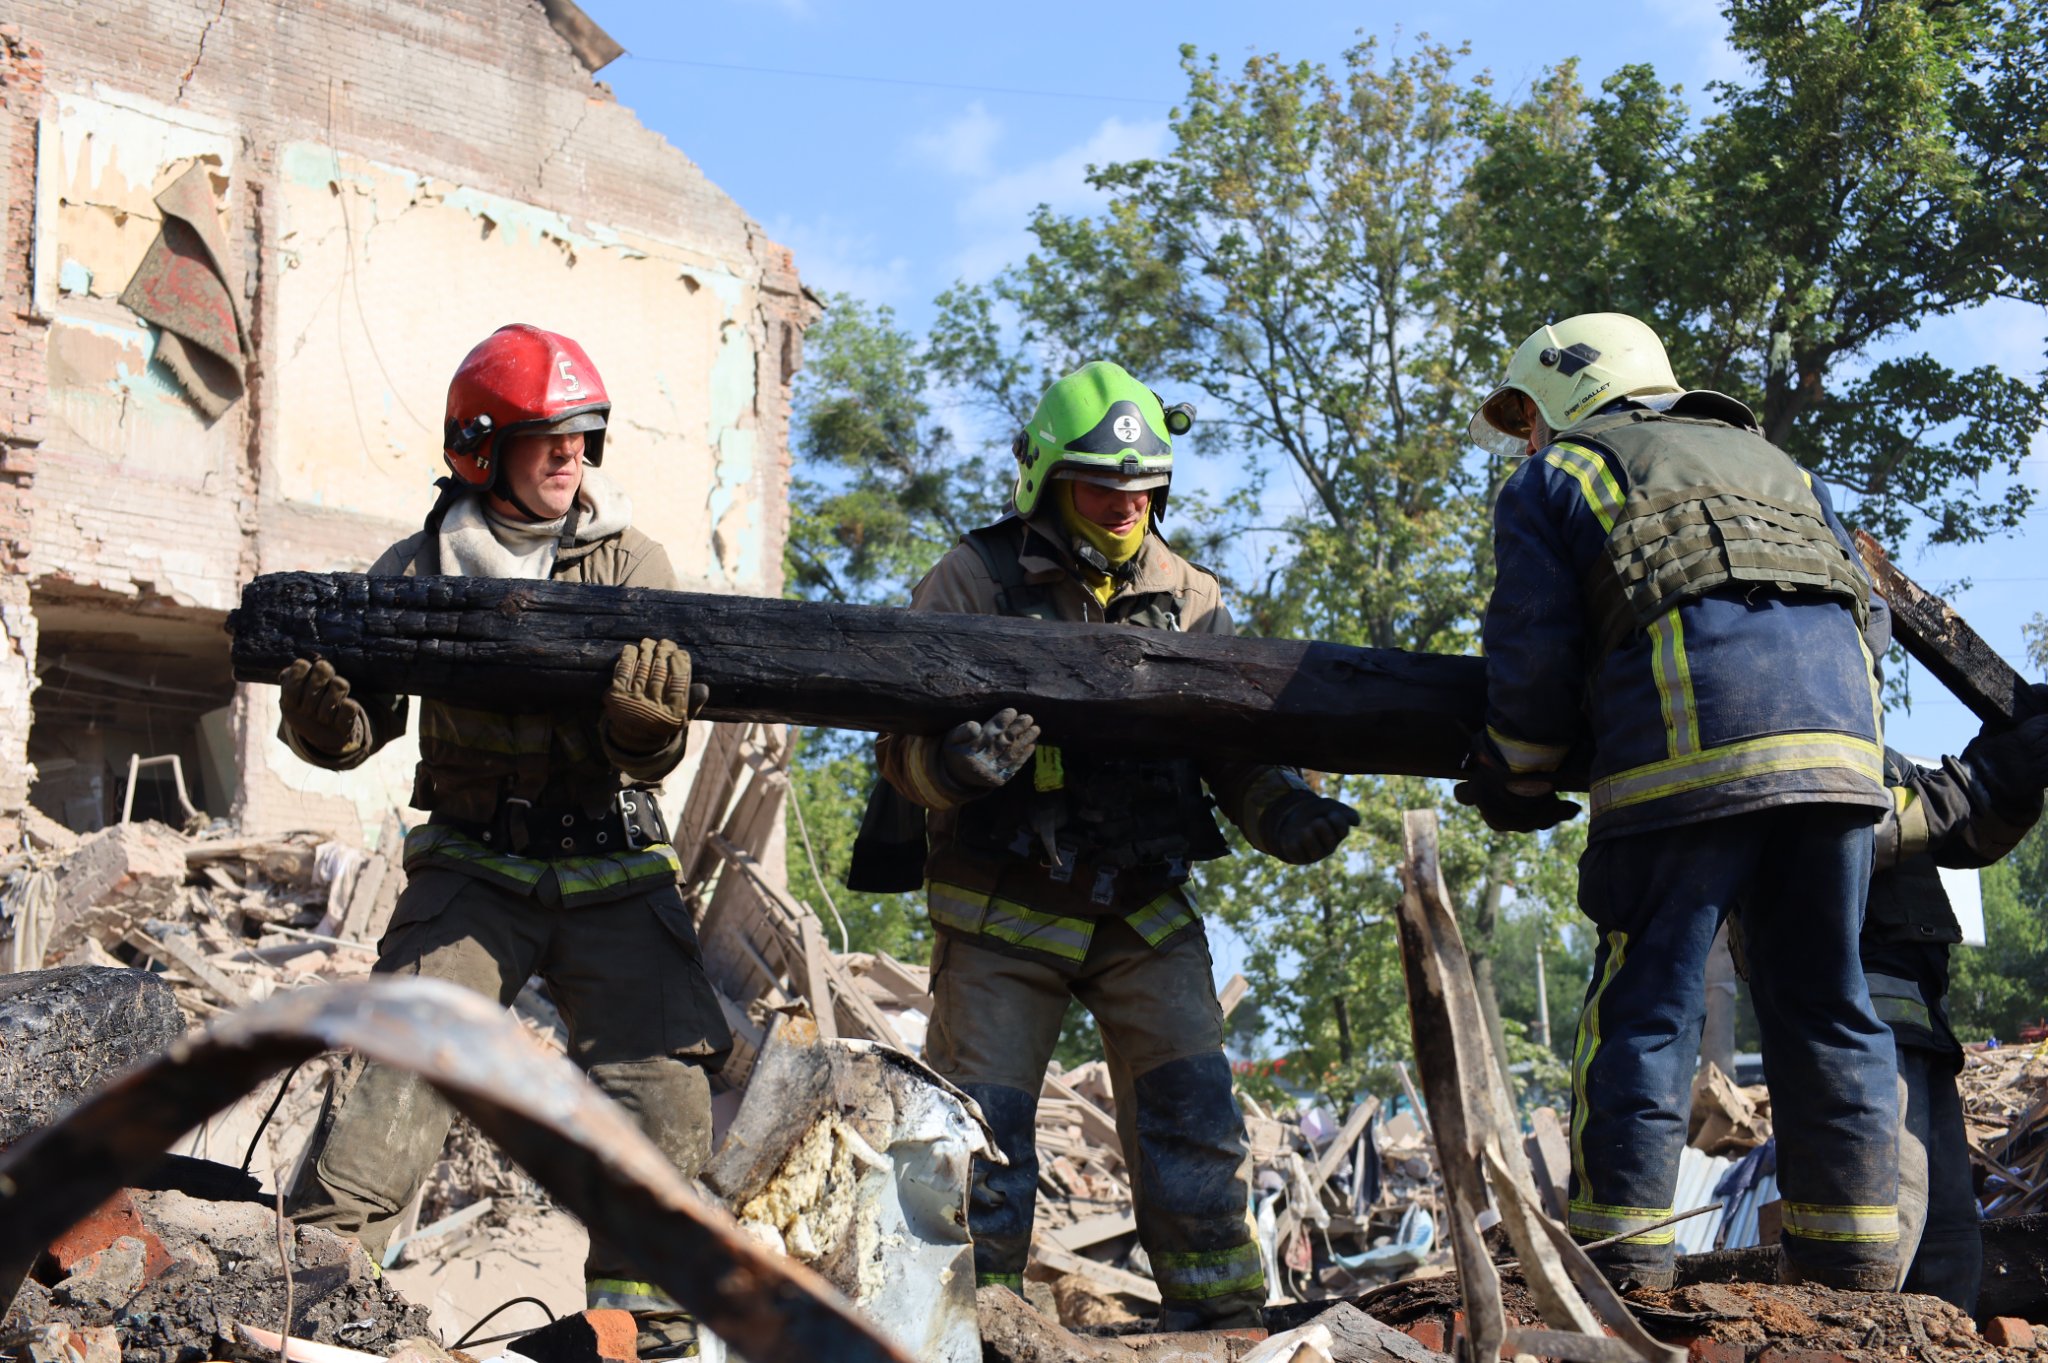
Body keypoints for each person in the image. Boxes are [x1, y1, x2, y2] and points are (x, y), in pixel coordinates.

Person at [870, 361, 1359, 1329]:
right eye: (1102, 487)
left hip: (1141, 904)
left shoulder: (1189, 590)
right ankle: (966, 1331)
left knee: (1194, 1115)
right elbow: (899, 749)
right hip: (1002, 910)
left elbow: (1232, 742)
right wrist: (960, 769)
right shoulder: (971, 578)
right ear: (1049, 481)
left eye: (1142, 491)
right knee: (979, 1140)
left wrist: (1281, 808)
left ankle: (1219, 1326)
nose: (1126, 507)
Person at [280, 324, 730, 1358]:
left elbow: (657, 751)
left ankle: (643, 1331)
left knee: (657, 1088)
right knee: (399, 1067)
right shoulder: (413, 566)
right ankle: (321, 1312)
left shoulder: (632, 561)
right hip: (474, 865)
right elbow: (359, 733)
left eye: (582, 436)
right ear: (480, 449)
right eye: (547, 438)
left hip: (612, 863)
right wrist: (325, 717)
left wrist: (644, 734)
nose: (572, 455)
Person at [1460, 313, 1899, 1291]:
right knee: (1828, 1004)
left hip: (1682, 772)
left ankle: (1625, 1277)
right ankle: (1854, 1276)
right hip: (1837, 765)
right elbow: (1865, 618)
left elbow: (1529, 658)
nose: (1527, 439)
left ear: (1564, 397)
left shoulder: (1556, 478)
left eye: (1527, 416)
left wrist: (1514, 774)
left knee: (1644, 1013)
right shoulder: (1781, 467)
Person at [1861, 706, 2048, 1312]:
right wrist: (1976, 779)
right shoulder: (1795, 743)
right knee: (1888, 1224)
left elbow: (1961, 833)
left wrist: (2009, 772)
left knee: (1948, 1243)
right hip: (1859, 1028)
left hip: (1920, 1023)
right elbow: (1856, 835)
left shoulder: (1873, 751)